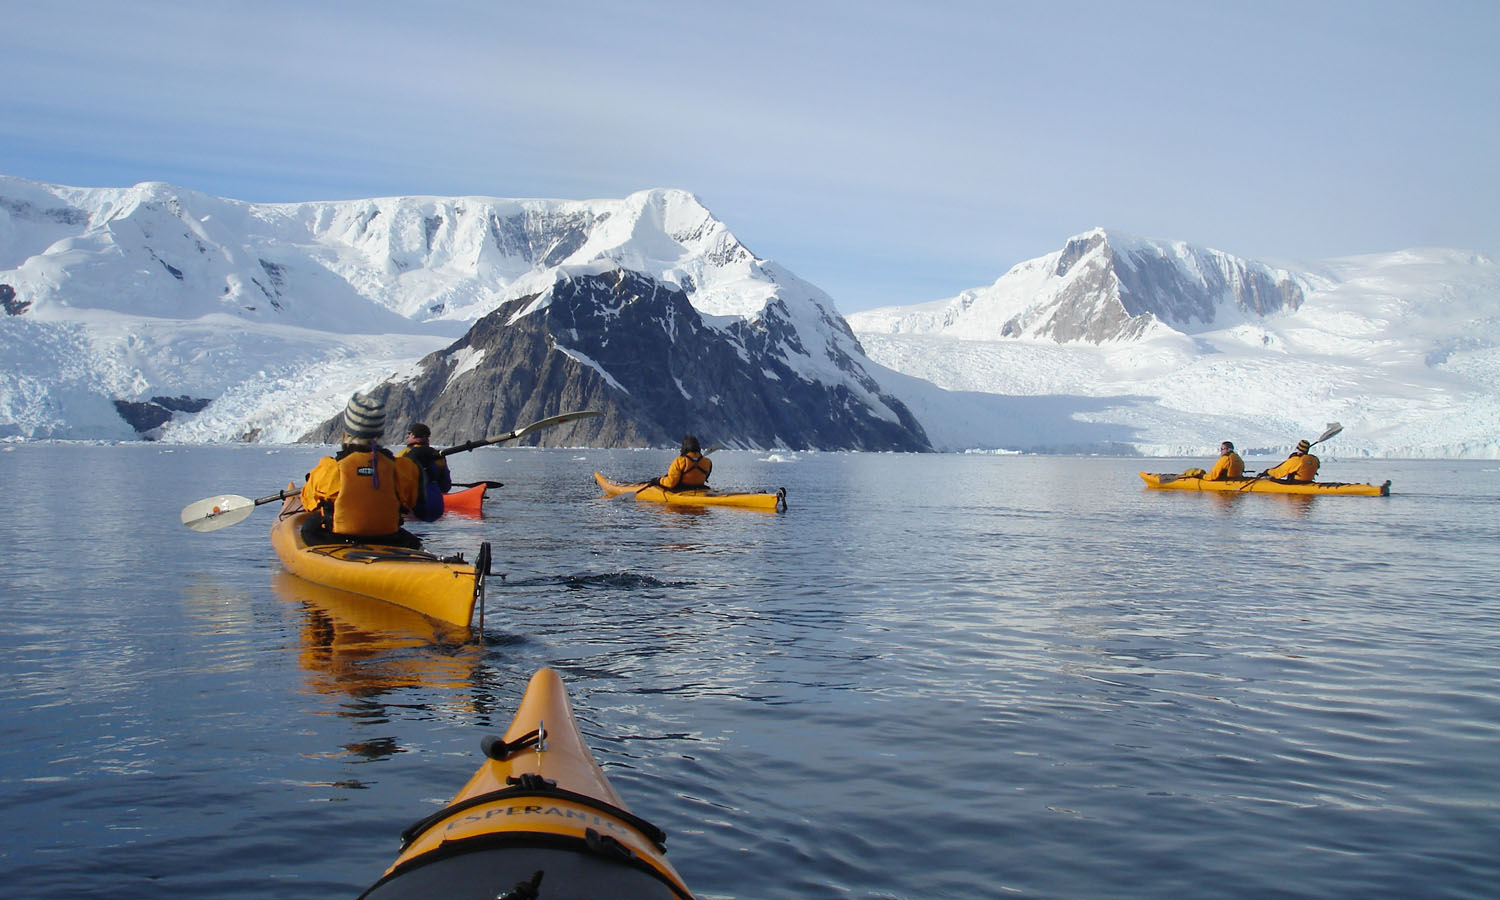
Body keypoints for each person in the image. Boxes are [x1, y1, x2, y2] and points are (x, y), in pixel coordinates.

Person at [301, 392, 424, 547]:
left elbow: (309, 503)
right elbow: (415, 503)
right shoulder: (402, 468)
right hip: (387, 537)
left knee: (310, 524)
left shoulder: (330, 469)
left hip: (338, 538)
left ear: (346, 432)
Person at [399, 422, 451, 521]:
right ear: (426, 438)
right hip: (436, 507)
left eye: (409, 434)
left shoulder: (402, 455)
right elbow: (446, 486)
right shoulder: (438, 456)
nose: (408, 436)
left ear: (413, 435)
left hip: (412, 508)